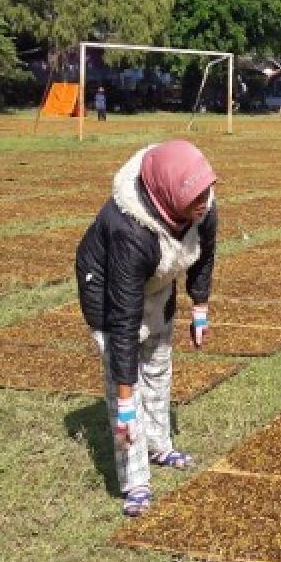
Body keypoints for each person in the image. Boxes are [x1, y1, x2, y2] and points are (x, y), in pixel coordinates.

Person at [75, 140, 218, 516]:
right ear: (168, 193)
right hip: (109, 293)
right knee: (129, 391)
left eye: (205, 191)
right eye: (195, 196)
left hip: (156, 279)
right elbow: (122, 320)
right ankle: (135, 480)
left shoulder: (201, 205)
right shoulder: (129, 231)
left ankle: (159, 445)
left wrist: (199, 306)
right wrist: (123, 401)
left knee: (158, 364)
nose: (203, 201)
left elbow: (204, 255)